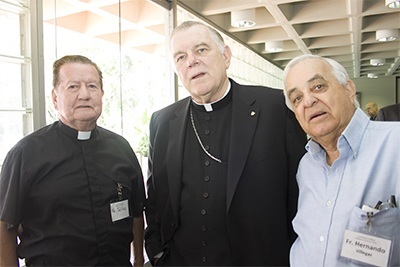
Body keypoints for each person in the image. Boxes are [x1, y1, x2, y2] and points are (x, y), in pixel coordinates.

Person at [144, 20, 306, 266]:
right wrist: (157, 253)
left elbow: (300, 192)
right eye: (180, 57)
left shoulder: (274, 108)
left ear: (226, 56)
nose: (192, 61)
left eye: (201, 49)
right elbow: (155, 198)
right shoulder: (162, 121)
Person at [0, 55, 146, 266]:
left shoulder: (121, 148)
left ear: (102, 94)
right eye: (73, 87)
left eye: (92, 86)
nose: (84, 94)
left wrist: (139, 261)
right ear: (55, 97)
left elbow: (136, 213)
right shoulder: (25, 153)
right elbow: (6, 225)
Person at [283, 54, 400, 266]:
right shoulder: (306, 166)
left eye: (318, 87)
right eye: (297, 98)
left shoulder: (395, 144)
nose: (308, 101)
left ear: (348, 89)